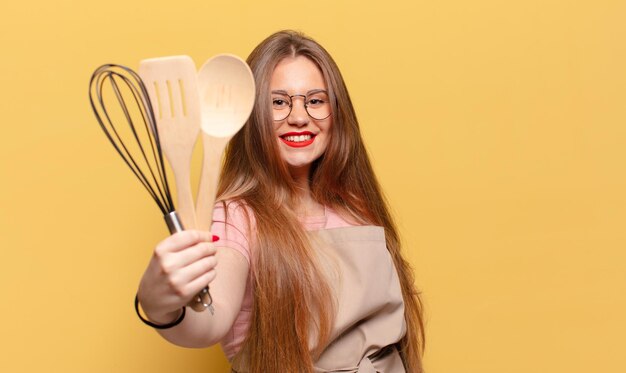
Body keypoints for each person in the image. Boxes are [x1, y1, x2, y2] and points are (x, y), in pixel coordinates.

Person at [136, 30, 425, 372]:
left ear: (337, 113)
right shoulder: (237, 217)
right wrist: (161, 307)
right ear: (252, 115)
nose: (299, 116)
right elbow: (210, 322)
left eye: (315, 100)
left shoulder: (353, 205)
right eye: (278, 102)